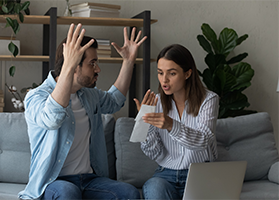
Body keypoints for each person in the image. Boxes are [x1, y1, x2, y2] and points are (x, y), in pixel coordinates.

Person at [18, 23, 147, 200]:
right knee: (68, 192)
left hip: (89, 179)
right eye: (92, 63)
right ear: (74, 66)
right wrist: (67, 67)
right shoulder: (36, 96)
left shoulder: (88, 95)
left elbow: (114, 101)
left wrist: (128, 61)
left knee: (128, 193)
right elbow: (52, 119)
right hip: (54, 182)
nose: (98, 69)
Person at [133, 44, 219, 200]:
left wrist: (171, 125)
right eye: (160, 73)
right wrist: (145, 122)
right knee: (153, 189)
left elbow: (203, 140)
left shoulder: (209, 100)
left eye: (171, 73)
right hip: (166, 174)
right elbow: (155, 152)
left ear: (187, 74)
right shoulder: (156, 102)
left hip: (200, 172)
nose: (164, 80)